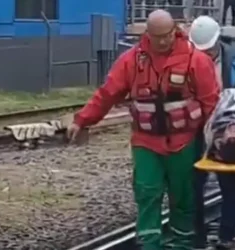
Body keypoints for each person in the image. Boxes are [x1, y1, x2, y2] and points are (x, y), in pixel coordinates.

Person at [66, 9, 220, 250]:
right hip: (146, 142)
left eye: (167, 35)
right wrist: (82, 120)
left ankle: (183, 244)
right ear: (147, 33)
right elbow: (108, 93)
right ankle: (150, 244)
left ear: (175, 31)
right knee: (147, 192)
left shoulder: (196, 61)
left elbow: (211, 102)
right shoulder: (131, 60)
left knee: (184, 197)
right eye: (157, 36)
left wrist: (217, 141)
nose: (162, 41)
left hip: (184, 141)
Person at [188, 15, 235, 250]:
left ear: (217, 42)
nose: (205, 55)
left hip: (228, 132)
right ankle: (197, 236)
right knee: (194, 186)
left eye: (208, 50)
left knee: (229, 185)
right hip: (197, 131)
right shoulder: (187, 60)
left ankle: (226, 237)